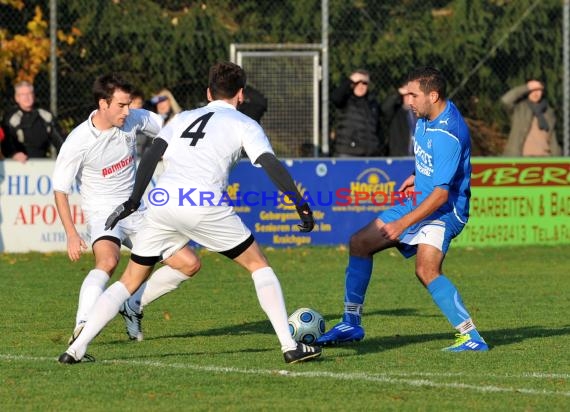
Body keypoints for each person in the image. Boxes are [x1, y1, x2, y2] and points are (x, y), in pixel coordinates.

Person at [58, 61, 321, 365]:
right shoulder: (245, 123)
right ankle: (290, 346)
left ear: (209, 93)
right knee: (258, 265)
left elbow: (153, 152)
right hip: (204, 203)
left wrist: (134, 199)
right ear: (241, 95)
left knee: (129, 279)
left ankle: (75, 349)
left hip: (163, 202)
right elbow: (270, 164)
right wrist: (300, 204)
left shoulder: (184, 117)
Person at [316, 67, 488, 352]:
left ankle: (471, 337)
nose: (408, 100)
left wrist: (402, 223)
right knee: (360, 243)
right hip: (421, 199)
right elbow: (432, 163)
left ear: (433, 96)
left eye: (413, 94)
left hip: (444, 211)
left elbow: (442, 193)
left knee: (426, 270)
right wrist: (416, 174)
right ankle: (350, 323)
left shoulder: (449, 132)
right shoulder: (425, 115)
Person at [53, 73, 194, 345]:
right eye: (121, 105)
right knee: (108, 261)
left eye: (129, 104)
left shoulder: (132, 118)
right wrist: (71, 234)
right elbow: (60, 189)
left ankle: (132, 304)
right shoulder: (78, 140)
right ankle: (82, 325)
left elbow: (170, 127)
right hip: (104, 214)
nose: (128, 111)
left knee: (189, 264)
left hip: (136, 211)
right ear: (103, 104)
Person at [1, 81, 65, 163]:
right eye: (23, 95)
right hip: (16, 165)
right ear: (17, 98)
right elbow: (6, 142)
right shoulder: (10, 117)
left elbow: (60, 140)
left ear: (33, 95)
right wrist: (14, 154)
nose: (26, 97)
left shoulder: (45, 115)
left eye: (29, 93)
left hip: (42, 163)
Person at [330, 69, 384, 157]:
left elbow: (378, 127)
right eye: (357, 82)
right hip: (348, 153)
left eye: (364, 83)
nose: (361, 86)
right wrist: (350, 80)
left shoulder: (372, 103)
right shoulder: (346, 99)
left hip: (369, 155)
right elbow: (335, 98)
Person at [501, 79, 561, 156]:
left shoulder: (548, 112)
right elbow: (505, 100)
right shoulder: (519, 107)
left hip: (545, 157)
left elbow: (553, 139)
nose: (536, 93)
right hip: (521, 157)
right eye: (532, 90)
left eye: (538, 90)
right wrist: (526, 87)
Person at [381, 84, 417, 156]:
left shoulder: (422, 114)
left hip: (418, 158)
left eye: (412, 94)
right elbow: (384, 108)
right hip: (399, 157)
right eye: (406, 94)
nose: (409, 98)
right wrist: (398, 92)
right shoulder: (395, 112)